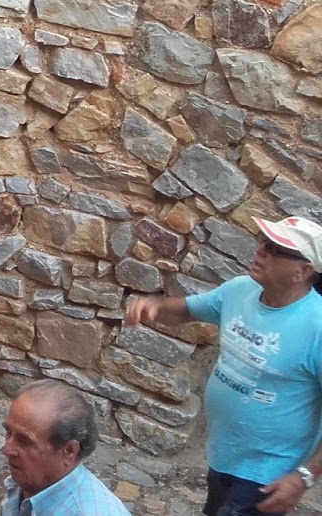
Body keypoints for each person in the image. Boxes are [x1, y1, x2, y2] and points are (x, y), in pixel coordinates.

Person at [124, 216, 322, 516]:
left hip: (267, 474)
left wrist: (303, 477)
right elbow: (187, 310)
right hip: (224, 455)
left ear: (303, 271)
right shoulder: (239, 291)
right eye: (262, 242)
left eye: (273, 249)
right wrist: (154, 307)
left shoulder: (317, 326)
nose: (259, 251)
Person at [0, 379, 131, 515]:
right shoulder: (28, 482)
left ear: (69, 451)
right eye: (8, 432)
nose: (6, 449)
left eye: (24, 441)